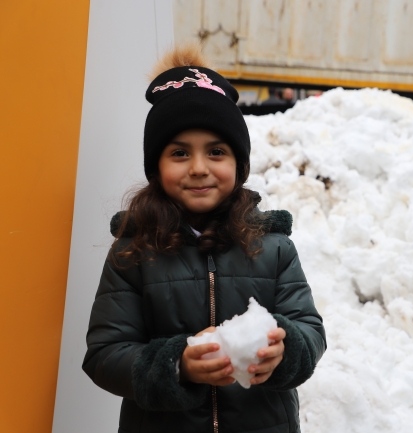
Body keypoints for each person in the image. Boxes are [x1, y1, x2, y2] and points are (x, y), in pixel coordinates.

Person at [82, 44, 326, 433]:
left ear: (239, 165)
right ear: (156, 167)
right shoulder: (133, 252)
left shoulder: (274, 247)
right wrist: (176, 364)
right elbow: (104, 354)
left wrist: (285, 348)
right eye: (180, 153)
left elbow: (310, 330)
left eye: (216, 151)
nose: (199, 168)